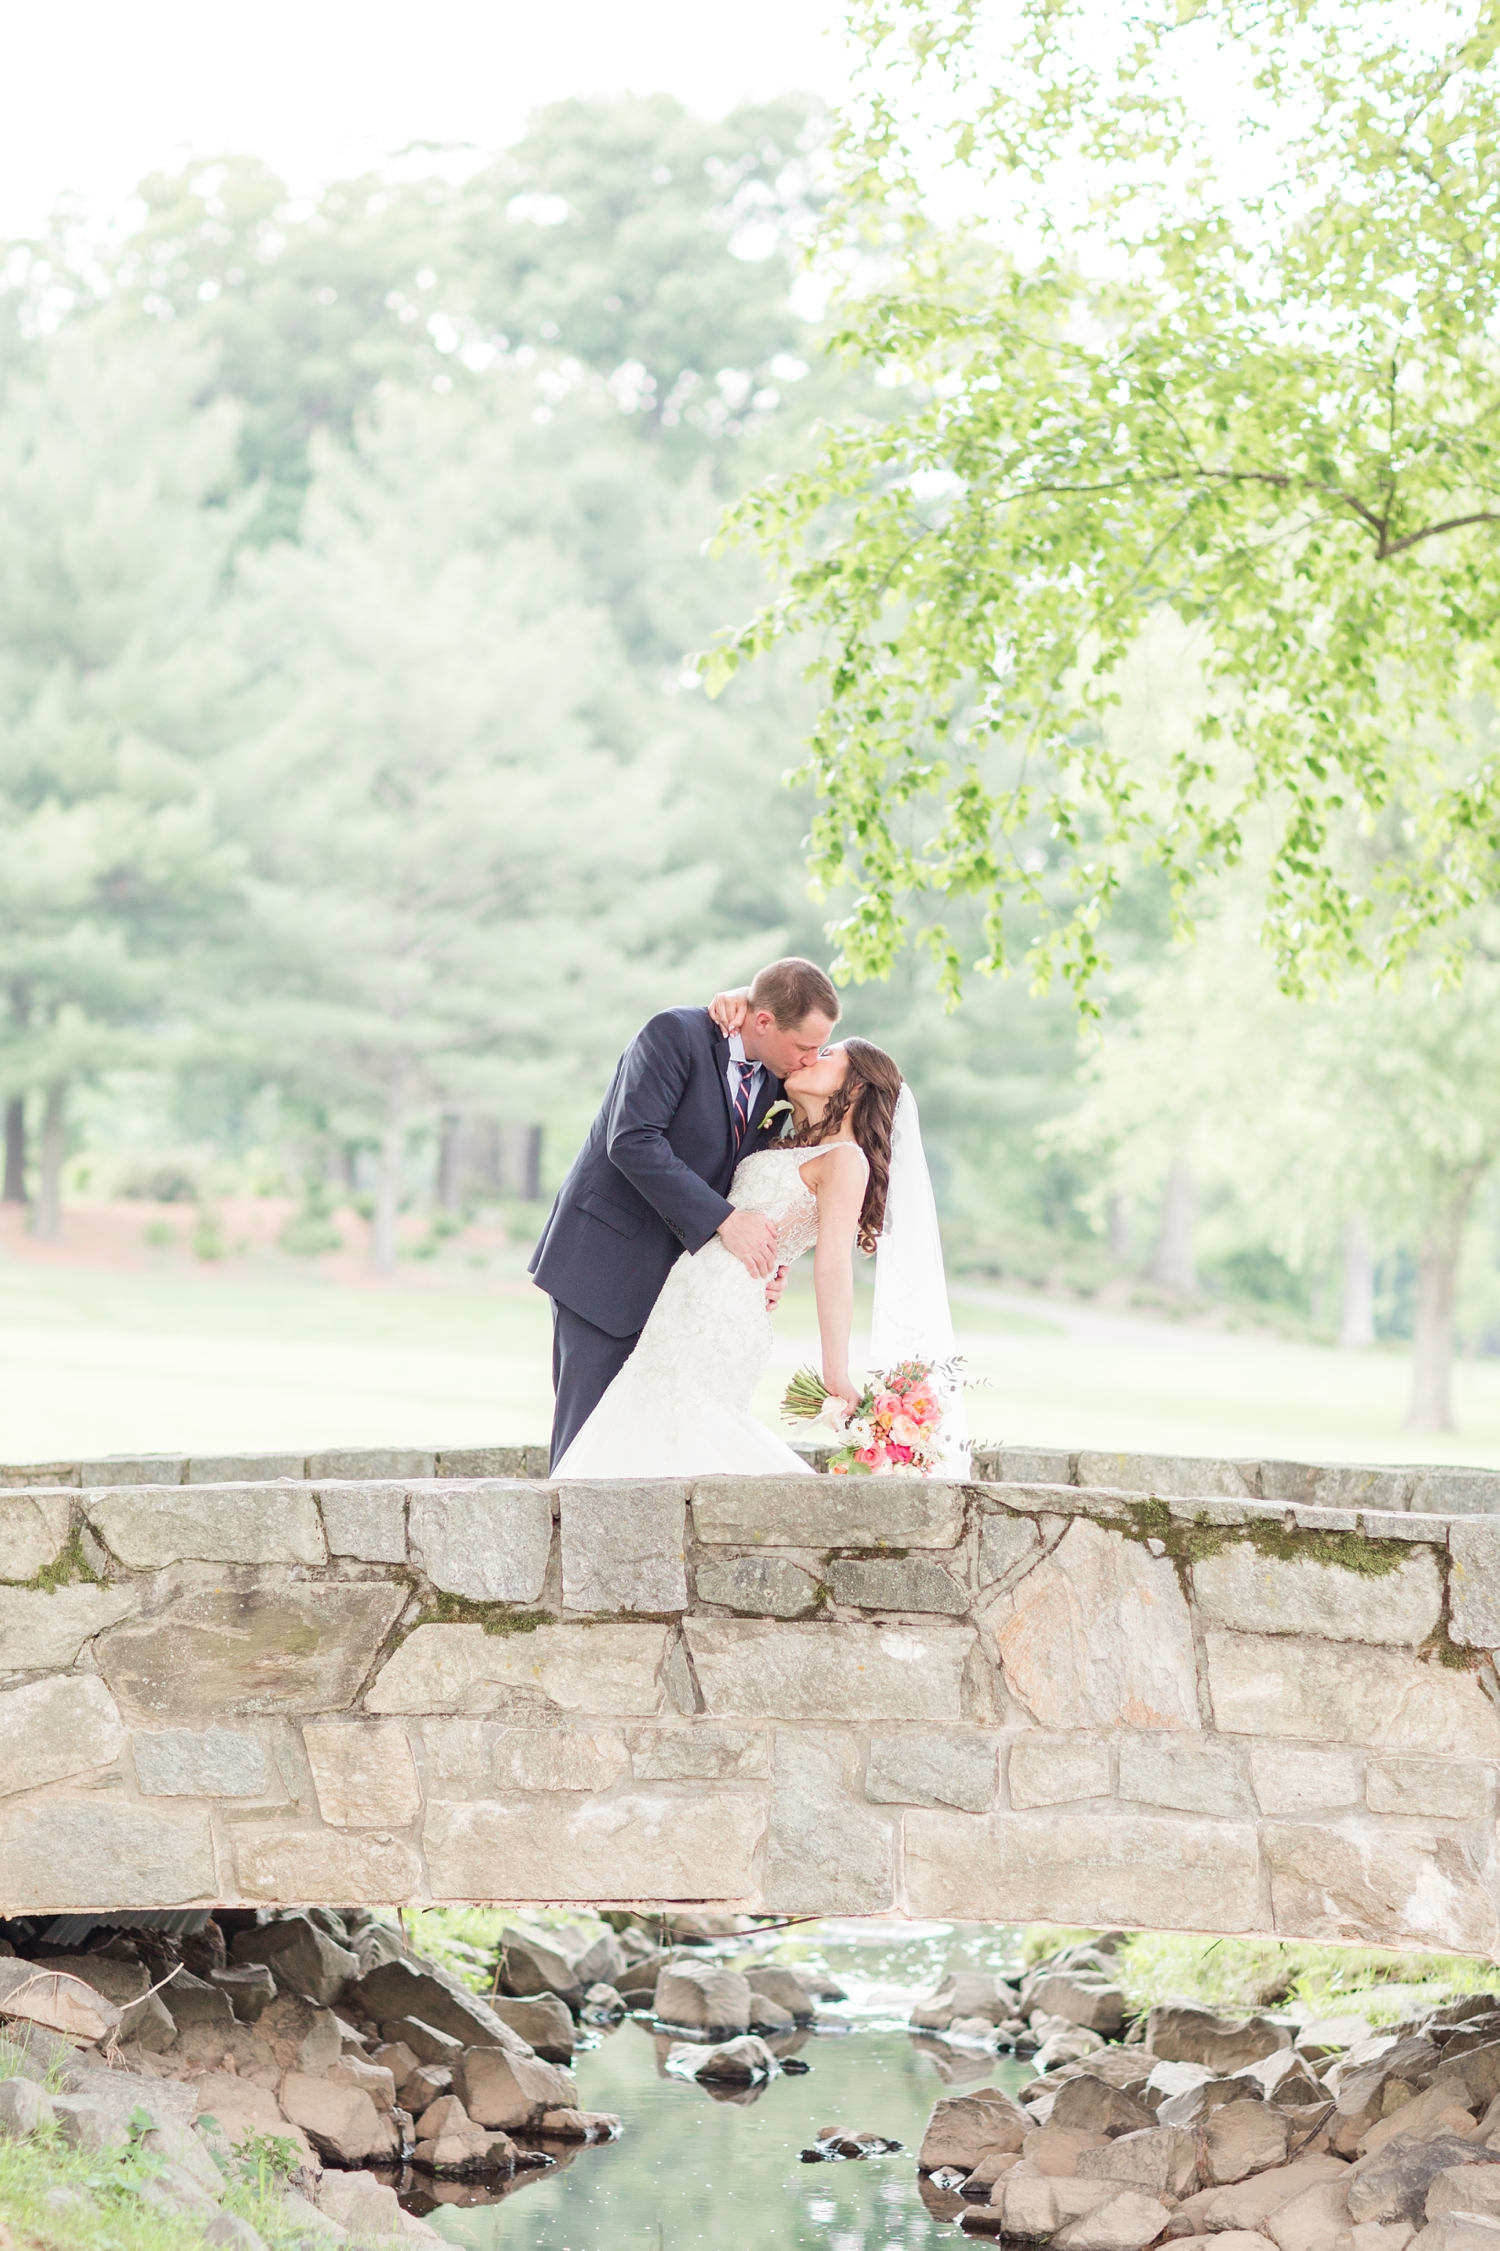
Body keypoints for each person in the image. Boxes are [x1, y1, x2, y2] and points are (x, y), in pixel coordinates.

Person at [548, 1023, 905, 1478]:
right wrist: (780, 1259)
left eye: (828, 1052)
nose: (812, 1056)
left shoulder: (846, 1160)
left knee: (687, 1421)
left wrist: (836, 1371)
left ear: (856, 1086)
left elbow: (834, 1266)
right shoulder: (788, 1137)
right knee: (645, 1424)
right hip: (684, 1294)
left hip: (722, 1311)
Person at [529, 957, 840, 1469]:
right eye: (805, 1047)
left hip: (684, 1294)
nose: (810, 1060)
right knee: (586, 1449)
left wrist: (767, 1259)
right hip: (606, 1268)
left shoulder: (776, 1080)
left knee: (642, 1450)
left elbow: (752, 1182)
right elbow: (632, 1141)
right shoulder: (675, 1033)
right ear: (763, 1023)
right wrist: (724, 1220)